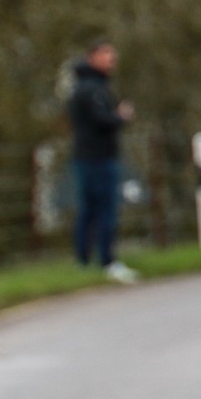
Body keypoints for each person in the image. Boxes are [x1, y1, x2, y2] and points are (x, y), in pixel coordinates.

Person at [67, 38, 138, 283]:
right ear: (92, 57)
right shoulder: (92, 88)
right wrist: (121, 116)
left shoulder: (87, 86)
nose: (112, 59)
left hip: (88, 156)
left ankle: (84, 261)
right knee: (104, 209)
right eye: (106, 54)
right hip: (97, 157)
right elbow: (101, 120)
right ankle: (107, 261)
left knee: (89, 210)